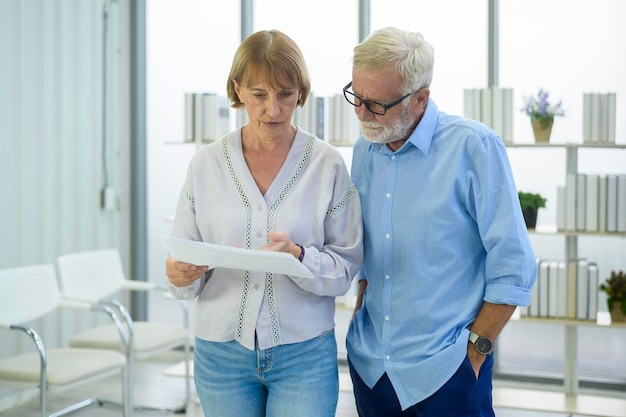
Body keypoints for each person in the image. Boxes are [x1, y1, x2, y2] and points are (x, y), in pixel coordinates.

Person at [165, 29, 363, 417]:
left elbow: (345, 271)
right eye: (258, 95)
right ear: (237, 90)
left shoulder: (327, 165)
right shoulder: (205, 165)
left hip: (303, 357)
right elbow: (183, 260)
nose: (272, 109)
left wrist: (299, 256)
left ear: (300, 93)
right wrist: (179, 274)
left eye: (285, 94)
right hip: (220, 356)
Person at [344, 27, 537, 417]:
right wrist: (362, 292)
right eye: (356, 97)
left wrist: (475, 353)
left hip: (448, 372)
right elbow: (365, 239)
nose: (362, 114)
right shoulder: (366, 146)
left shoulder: (474, 148)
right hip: (372, 370)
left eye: (377, 104)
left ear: (421, 98)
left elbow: (514, 266)